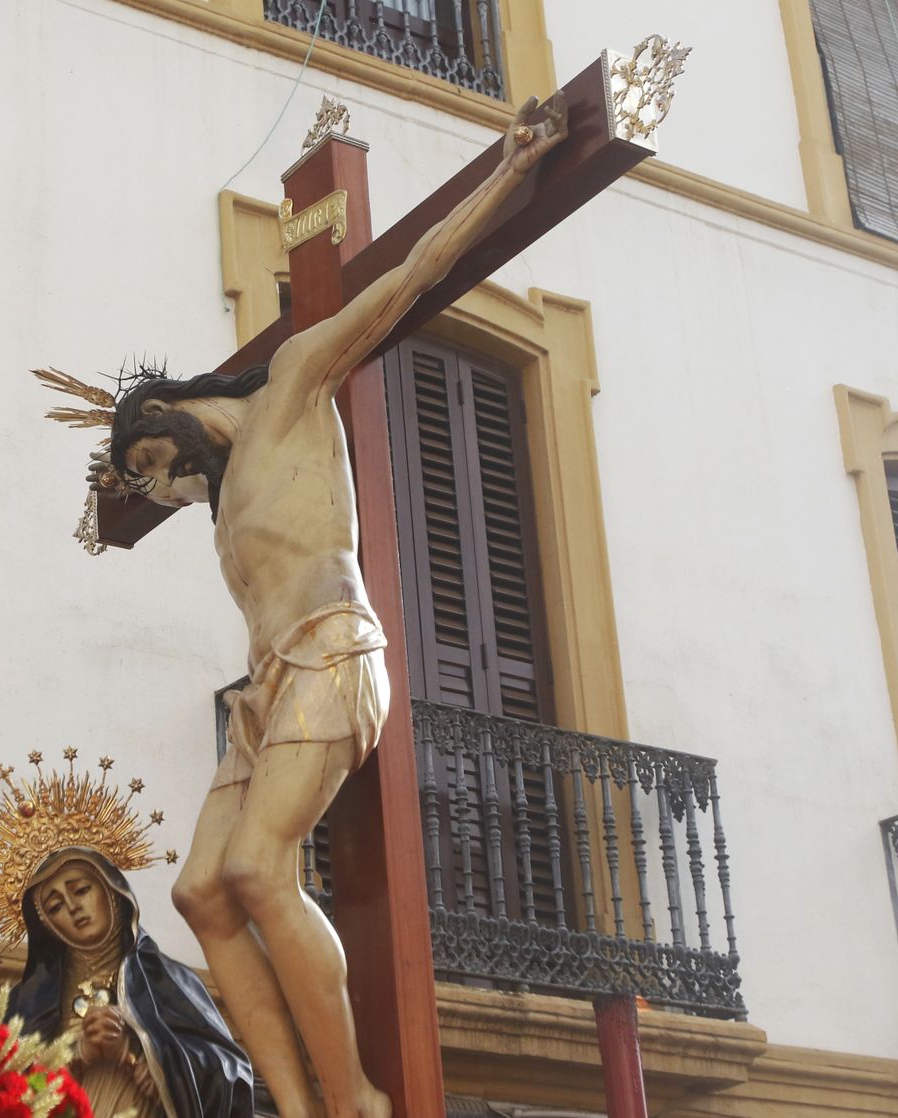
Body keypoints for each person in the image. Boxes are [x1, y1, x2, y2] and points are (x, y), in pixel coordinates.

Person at [61, 94, 568, 1118]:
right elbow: (131, 493)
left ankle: (355, 1101)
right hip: (268, 687)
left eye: (153, 464)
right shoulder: (214, 492)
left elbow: (413, 276)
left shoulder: (291, 383)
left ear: (164, 414)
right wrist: (104, 501)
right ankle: (292, 1105)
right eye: (146, 483)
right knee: (201, 888)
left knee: (257, 865)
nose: (159, 488)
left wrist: (510, 174)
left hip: (334, 648)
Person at [8, 847, 253, 1118]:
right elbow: (4, 1088)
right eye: (55, 907)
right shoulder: (28, 1002)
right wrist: (80, 1053)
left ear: (111, 891)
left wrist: (137, 1055)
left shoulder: (166, 980)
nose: (73, 907)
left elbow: (229, 1074)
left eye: (80, 890)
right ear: (48, 924)